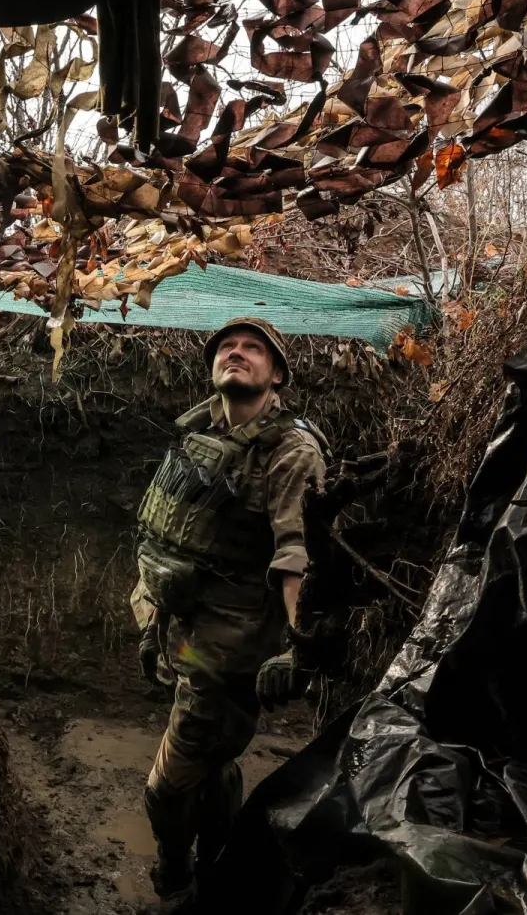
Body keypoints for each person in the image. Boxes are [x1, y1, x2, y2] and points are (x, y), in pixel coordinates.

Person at [131, 317, 327, 911]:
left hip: (231, 652)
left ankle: (175, 872)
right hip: (187, 640)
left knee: (165, 790)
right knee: (211, 760)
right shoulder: (201, 431)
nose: (236, 354)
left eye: (252, 349)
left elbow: (297, 555)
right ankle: (220, 847)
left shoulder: (291, 450)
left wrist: (299, 643)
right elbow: (166, 532)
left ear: (276, 375)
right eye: (226, 347)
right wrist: (154, 627)